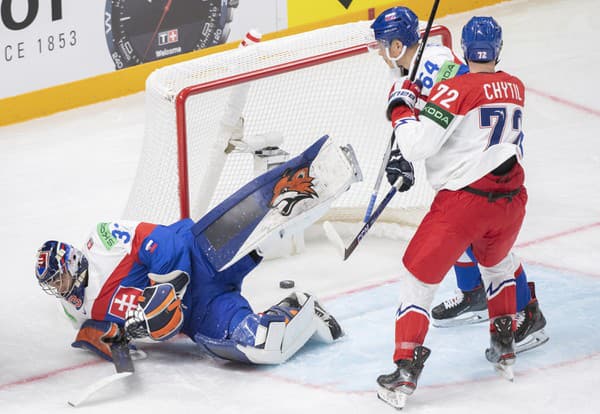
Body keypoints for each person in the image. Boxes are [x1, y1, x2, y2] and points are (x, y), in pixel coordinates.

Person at [34, 135, 360, 366]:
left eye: (59, 277)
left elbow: (162, 242)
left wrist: (167, 290)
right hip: (201, 310)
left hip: (200, 253)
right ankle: (298, 308)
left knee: (276, 214)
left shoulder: (101, 241)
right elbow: (119, 332)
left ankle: (336, 164)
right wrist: (128, 332)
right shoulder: (78, 311)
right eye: (53, 284)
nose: (59, 287)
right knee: (260, 344)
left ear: (73, 261)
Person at [373, 15, 534, 409]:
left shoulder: (453, 90)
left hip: (465, 204)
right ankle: (505, 346)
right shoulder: (516, 87)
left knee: (417, 278)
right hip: (512, 201)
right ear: (498, 51)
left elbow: (417, 147)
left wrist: (401, 107)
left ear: (463, 50)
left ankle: (405, 371)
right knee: (497, 267)